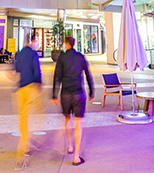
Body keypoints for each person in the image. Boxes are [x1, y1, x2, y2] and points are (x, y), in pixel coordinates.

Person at [51, 35, 94, 167]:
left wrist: (54, 95)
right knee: (78, 123)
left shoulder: (62, 58)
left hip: (66, 94)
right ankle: (76, 157)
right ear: (73, 44)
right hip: (79, 94)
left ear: (66, 44)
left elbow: (57, 77)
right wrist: (92, 91)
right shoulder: (81, 57)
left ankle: (70, 145)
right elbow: (88, 74)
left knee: (67, 119)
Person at [13, 32, 43, 167]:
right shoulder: (33, 54)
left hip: (20, 89)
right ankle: (24, 147)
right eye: (36, 41)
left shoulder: (19, 54)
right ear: (32, 41)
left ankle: (25, 144)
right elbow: (37, 70)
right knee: (37, 115)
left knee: (23, 118)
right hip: (31, 87)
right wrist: (39, 83)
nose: (37, 43)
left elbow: (17, 69)